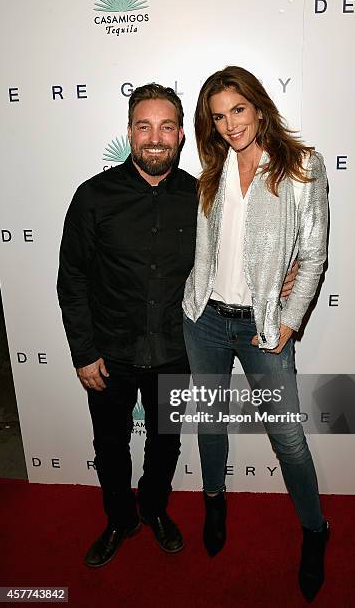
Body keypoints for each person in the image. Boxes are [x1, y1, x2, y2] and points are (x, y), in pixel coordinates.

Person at [57, 81, 298, 569]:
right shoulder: (93, 197)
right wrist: (83, 352)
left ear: (182, 135)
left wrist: (285, 277)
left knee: (165, 446)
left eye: (166, 126)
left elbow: (242, 248)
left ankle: (155, 510)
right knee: (109, 446)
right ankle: (119, 520)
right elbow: (73, 279)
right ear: (128, 132)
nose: (155, 137)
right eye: (143, 126)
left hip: (176, 350)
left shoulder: (202, 194)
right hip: (110, 353)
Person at [182, 66, 329, 601]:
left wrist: (288, 320)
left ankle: (315, 531)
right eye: (218, 117)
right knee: (211, 421)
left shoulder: (301, 168)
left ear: (259, 107)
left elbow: (312, 255)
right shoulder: (212, 170)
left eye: (237, 110)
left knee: (287, 438)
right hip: (203, 319)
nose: (229, 124)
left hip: (263, 328)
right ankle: (215, 499)